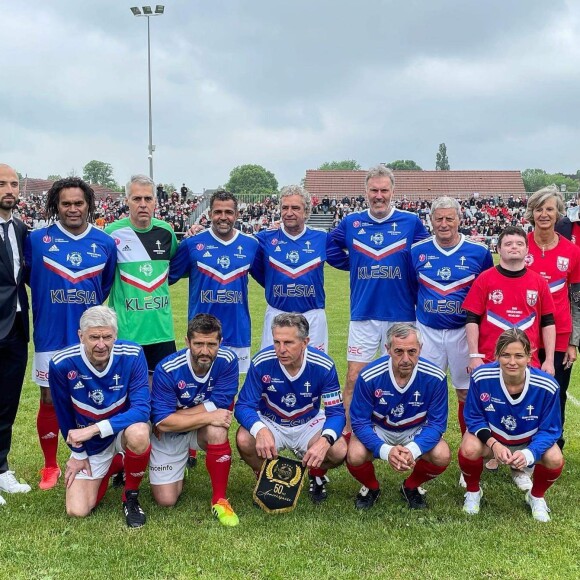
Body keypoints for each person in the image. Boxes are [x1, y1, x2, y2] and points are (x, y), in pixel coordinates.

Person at [24, 177, 117, 490]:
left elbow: (103, 285)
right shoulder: (37, 240)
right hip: (51, 333)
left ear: (89, 205)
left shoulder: (104, 243)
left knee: (93, 395)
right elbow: (27, 275)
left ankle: (94, 455)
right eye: (66, 204)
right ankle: (50, 466)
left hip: (92, 337)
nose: (73, 209)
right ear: (56, 206)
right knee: (49, 397)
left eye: (79, 203)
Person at [327, 165, 428, 433]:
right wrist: (354, 263)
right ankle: (348, 433)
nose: (379, 195)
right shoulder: (352, 222)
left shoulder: (411, 222)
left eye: (384, 190)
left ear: (393, 192)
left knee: (406, 373)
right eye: (374, 190)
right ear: (365, 192)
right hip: (364, 313)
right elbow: (329, 247)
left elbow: (427, 256)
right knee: (353, 376)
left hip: (402, 313)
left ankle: (408, 430)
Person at [462, 225, 556, 490]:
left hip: (528, 361)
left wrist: (548, 359)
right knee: (488, 409)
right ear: (498, 249)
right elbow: (472, 317)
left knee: (526, 412)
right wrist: (474, 355)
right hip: (492, 363)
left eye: (519, 243)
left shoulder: (538, 281)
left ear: (527, 250)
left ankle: (522, 465)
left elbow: (548, 321)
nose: (514, 247)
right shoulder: (485, 279)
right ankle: (485, 459)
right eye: (508, 244)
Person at [410, 197, 493, 473]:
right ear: (430, 220)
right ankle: (425, 449)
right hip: (427, 332)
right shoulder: (417, 251)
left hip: (462, 332)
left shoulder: (479, 252)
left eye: (449, 218)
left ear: (460, 219)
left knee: (465, 393)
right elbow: (412, 289)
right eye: (438, 219)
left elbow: (486, 292)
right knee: (424, 390)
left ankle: (470, 453)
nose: (444, 224)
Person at [48, 306, 151, 528]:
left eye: (107, 337)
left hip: (122, 431)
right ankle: (116, 464)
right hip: (92, 443)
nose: (101, 344)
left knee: (140, 432)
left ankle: (130, 497)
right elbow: (64, 414)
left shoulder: (133, 354)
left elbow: (142, 409)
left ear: (116, 335)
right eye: (94, 337)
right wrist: (77, 453)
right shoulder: (61, 363)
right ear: (81, 336)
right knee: (78, 510)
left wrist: (95, 428)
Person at [235, 313, 347, 504]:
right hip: (272, 421)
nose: (281, 349)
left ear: (305, 342)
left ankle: (316, 474)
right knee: (244, 439)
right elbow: (244, 405)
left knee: (338, 450)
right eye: (277, 342)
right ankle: (266, 477)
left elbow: (336, 412)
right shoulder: (262, 361)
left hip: (308, 422)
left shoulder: (323, 365)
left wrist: (325, 441)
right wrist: (260, 430)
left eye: (288, 342)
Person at [458, 328, 564, 522]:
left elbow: (551, 429)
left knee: (555, 458)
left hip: (527, 441)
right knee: (469, 446)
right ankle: (473, 491)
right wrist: (493, 444)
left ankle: (536, 496)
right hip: (494, 439)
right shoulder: (481, 377)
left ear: (529, 357)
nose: (512, 362)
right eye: (505, 355)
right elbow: (473, 417)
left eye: (519, 355)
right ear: (497, 355)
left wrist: (529, 453)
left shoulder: (547, 385)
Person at [346, 323, 450, 510]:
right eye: (398, 351)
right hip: (379, 428)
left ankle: (411, 487)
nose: (405, 359)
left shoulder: (436, 377)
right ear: (387, 350)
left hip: (414, 429)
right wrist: (386, 450)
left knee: (442, 455)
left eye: (412, 351)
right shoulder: (369, 376)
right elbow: (360, 422)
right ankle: (371, 487)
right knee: (354, 454)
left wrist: (413, 450)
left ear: (420, 349)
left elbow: (436, 424)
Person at [149, 314, 239, 526]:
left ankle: (219, 500)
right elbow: (162, 423)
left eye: (211, 344)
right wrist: (206, 415)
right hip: (170, 435)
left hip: (196, 430)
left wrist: (174, 417)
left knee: (217, 429)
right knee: (166, 500)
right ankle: (179, 467)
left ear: (220, 342)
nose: (205, 351)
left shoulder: (227, 361)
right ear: (187, 341)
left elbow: (222, 402)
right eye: (198, 344)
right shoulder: (168, 368)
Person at [169, 190, 258, 373]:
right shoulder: (192, 243)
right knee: (198, 384)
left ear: (237, 214)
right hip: (201, 333)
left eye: (228, 212)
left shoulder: (251, 245)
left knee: (229, 390)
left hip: (237, 331)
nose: (223, 217)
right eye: (218, 212)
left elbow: (268, 278)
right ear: (209, 214)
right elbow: (169, 276)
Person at [251, 185, 348, 353]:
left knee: (314, 371)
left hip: (312, 316)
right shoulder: (264, 239)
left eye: (295, 208)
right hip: (277, 314)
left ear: (306, 211)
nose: (289, 212)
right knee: (272, 371)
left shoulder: (322, 238)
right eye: (285, 207)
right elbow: (252, 265)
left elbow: (350, 262)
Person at [524, 186, 580, 450]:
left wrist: (574, 341)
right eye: (539, 209)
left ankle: (553, 443)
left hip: (559, 335)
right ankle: (519, 441)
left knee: (555, 390)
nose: (544, 214)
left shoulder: (572, 251)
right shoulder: (519, 244)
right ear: (531, 213)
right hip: (523, 333)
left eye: (549, 209)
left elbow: (577, 300)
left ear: (558, 213)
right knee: (521, 389)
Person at [106, 175, 178, 375]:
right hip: (127, 332)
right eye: (137, 199)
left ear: (155, 201)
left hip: (162, 331)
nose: (143, 204)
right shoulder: (112, 234)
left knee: (164, 394)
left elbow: (172, 266)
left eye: (148, 199)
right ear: (127, 201)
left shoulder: (166, 232)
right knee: (128, 391)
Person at [0, 164, 31, 504]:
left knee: (7, 403)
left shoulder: (21, 230)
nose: (9, 189)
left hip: (17, 328)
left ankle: (1, 468)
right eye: (1, 184)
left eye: (12, 184)